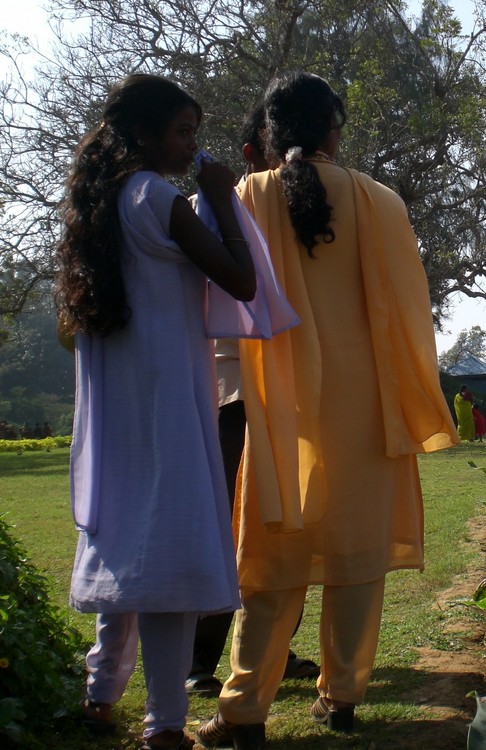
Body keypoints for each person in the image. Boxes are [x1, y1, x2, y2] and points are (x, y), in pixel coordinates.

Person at [197, 72, 458, 749]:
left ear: (269, 135)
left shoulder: (247, 197)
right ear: (333, 129)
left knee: (271, 560)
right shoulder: (379, 201)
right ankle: (341, 699)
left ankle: (242, 710)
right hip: (368, 408)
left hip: (284, 410)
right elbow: (409, 314)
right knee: (355, 560)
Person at [56, 74, 256, 750]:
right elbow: (241, 279)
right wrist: (223, 198)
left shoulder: (98, 204)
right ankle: (164, 725)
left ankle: (99, 694)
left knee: (130, 552)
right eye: (182, 132)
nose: (191, 145)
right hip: (168, 399)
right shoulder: (157, 199)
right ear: (145, 135)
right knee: (167, 558)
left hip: (120, 406)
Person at [186, 104, 319, 699]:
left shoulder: (305, 208)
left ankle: (271, 649)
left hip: (289, 389)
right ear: (253, 156)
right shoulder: (218, 207)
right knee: (228, 520)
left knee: (286, 521)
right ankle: (200, 659)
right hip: (233, 388)